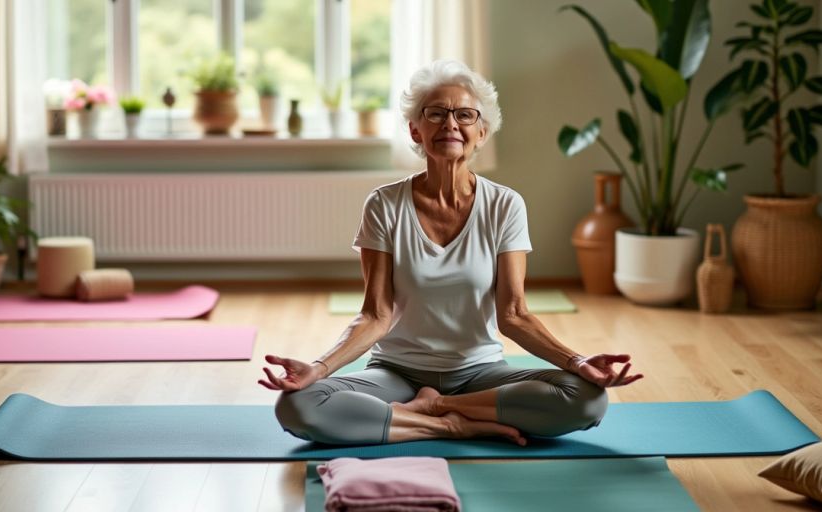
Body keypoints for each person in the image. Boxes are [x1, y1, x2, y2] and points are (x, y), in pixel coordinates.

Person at [258, 60, 643, 446]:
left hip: (479, 374)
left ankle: (434, 407)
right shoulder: (384, 205)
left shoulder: (505, 205)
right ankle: (451, 424)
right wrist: (319, 368)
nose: (450, 124)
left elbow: (513, 315)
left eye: (464, 114)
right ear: (415, 129)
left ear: (482, 132)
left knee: (588, 400)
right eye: (436, 114)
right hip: (396, 374)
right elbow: (376, 315)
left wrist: (577, 362)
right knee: (299, 405)